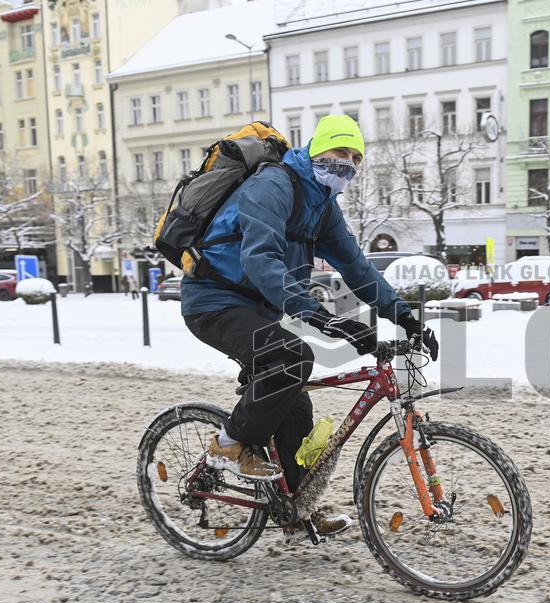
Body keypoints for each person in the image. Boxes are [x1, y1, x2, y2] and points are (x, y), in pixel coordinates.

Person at [180, 115, 438, 541]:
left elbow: (357, 268)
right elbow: (260, 259)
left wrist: (405, 316)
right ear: (317, 150)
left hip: (260, 307)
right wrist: (318, 315)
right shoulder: (273, 185)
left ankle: (295, 512)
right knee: (291, 357)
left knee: (294, 405)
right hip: (213, 301)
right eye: (339, 153)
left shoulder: (322, 207)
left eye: (356, 158)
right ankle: (228, 446)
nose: (347, 164)